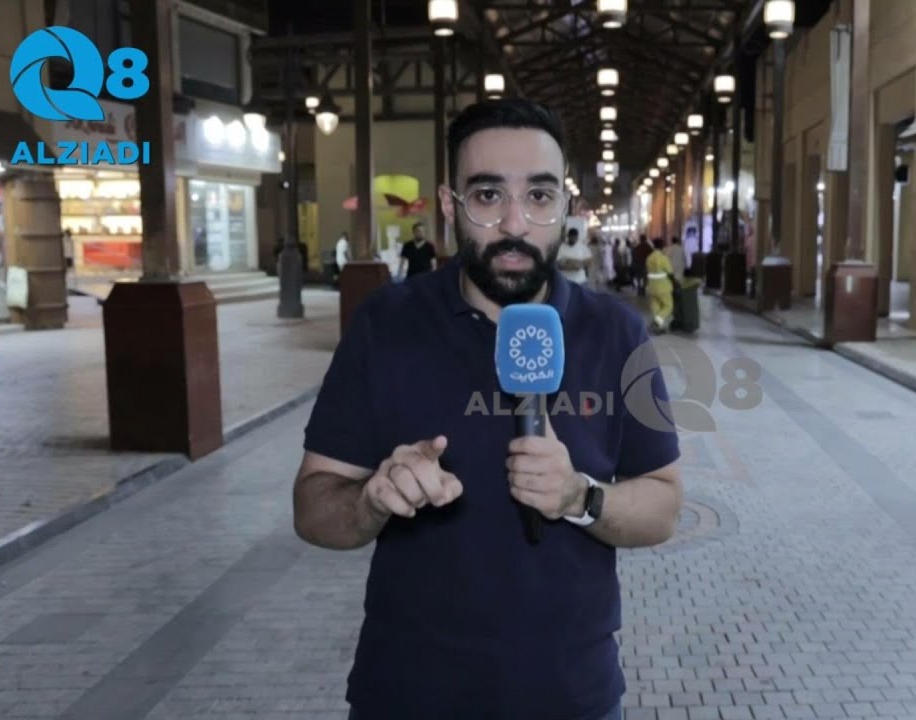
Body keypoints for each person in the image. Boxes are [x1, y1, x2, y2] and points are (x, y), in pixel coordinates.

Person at [293, 98, 683, 720]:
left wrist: (579, 497)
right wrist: (370, 501)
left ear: (564, 207)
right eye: (488, 195)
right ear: (451, 207)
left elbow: (663, 507)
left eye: (539, 196)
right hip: (407, 696)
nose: (514, 223)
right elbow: (313, 509)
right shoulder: (384, 325)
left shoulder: (618, 333)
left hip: (570, 697)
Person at [645, 238, 674, 332]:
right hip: (663, 286)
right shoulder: (663, 258)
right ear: (662, 247)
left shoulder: (649, 258)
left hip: (651, 286)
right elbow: (670, 271)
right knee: (668, 305)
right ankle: (657, 321)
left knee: (655, 306)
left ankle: (658, 327)